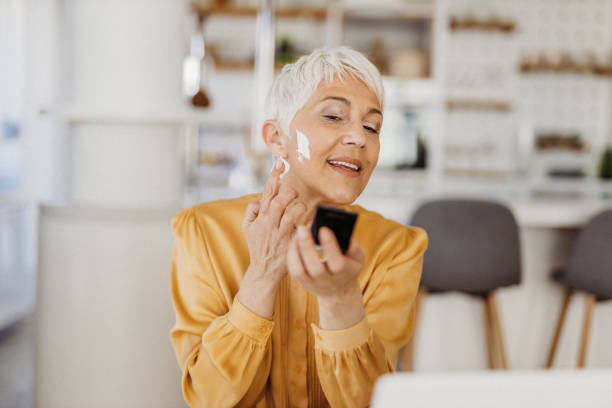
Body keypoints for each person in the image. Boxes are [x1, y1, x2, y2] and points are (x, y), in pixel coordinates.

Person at [170, 46, 427, 408]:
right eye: (334, 116)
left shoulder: (396, 247)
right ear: (277, 138)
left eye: (372, 126)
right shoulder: (203, 231)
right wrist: (261, 274)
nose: (360, 137)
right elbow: (208, 398)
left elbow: (368, 402)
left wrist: (340, 299)